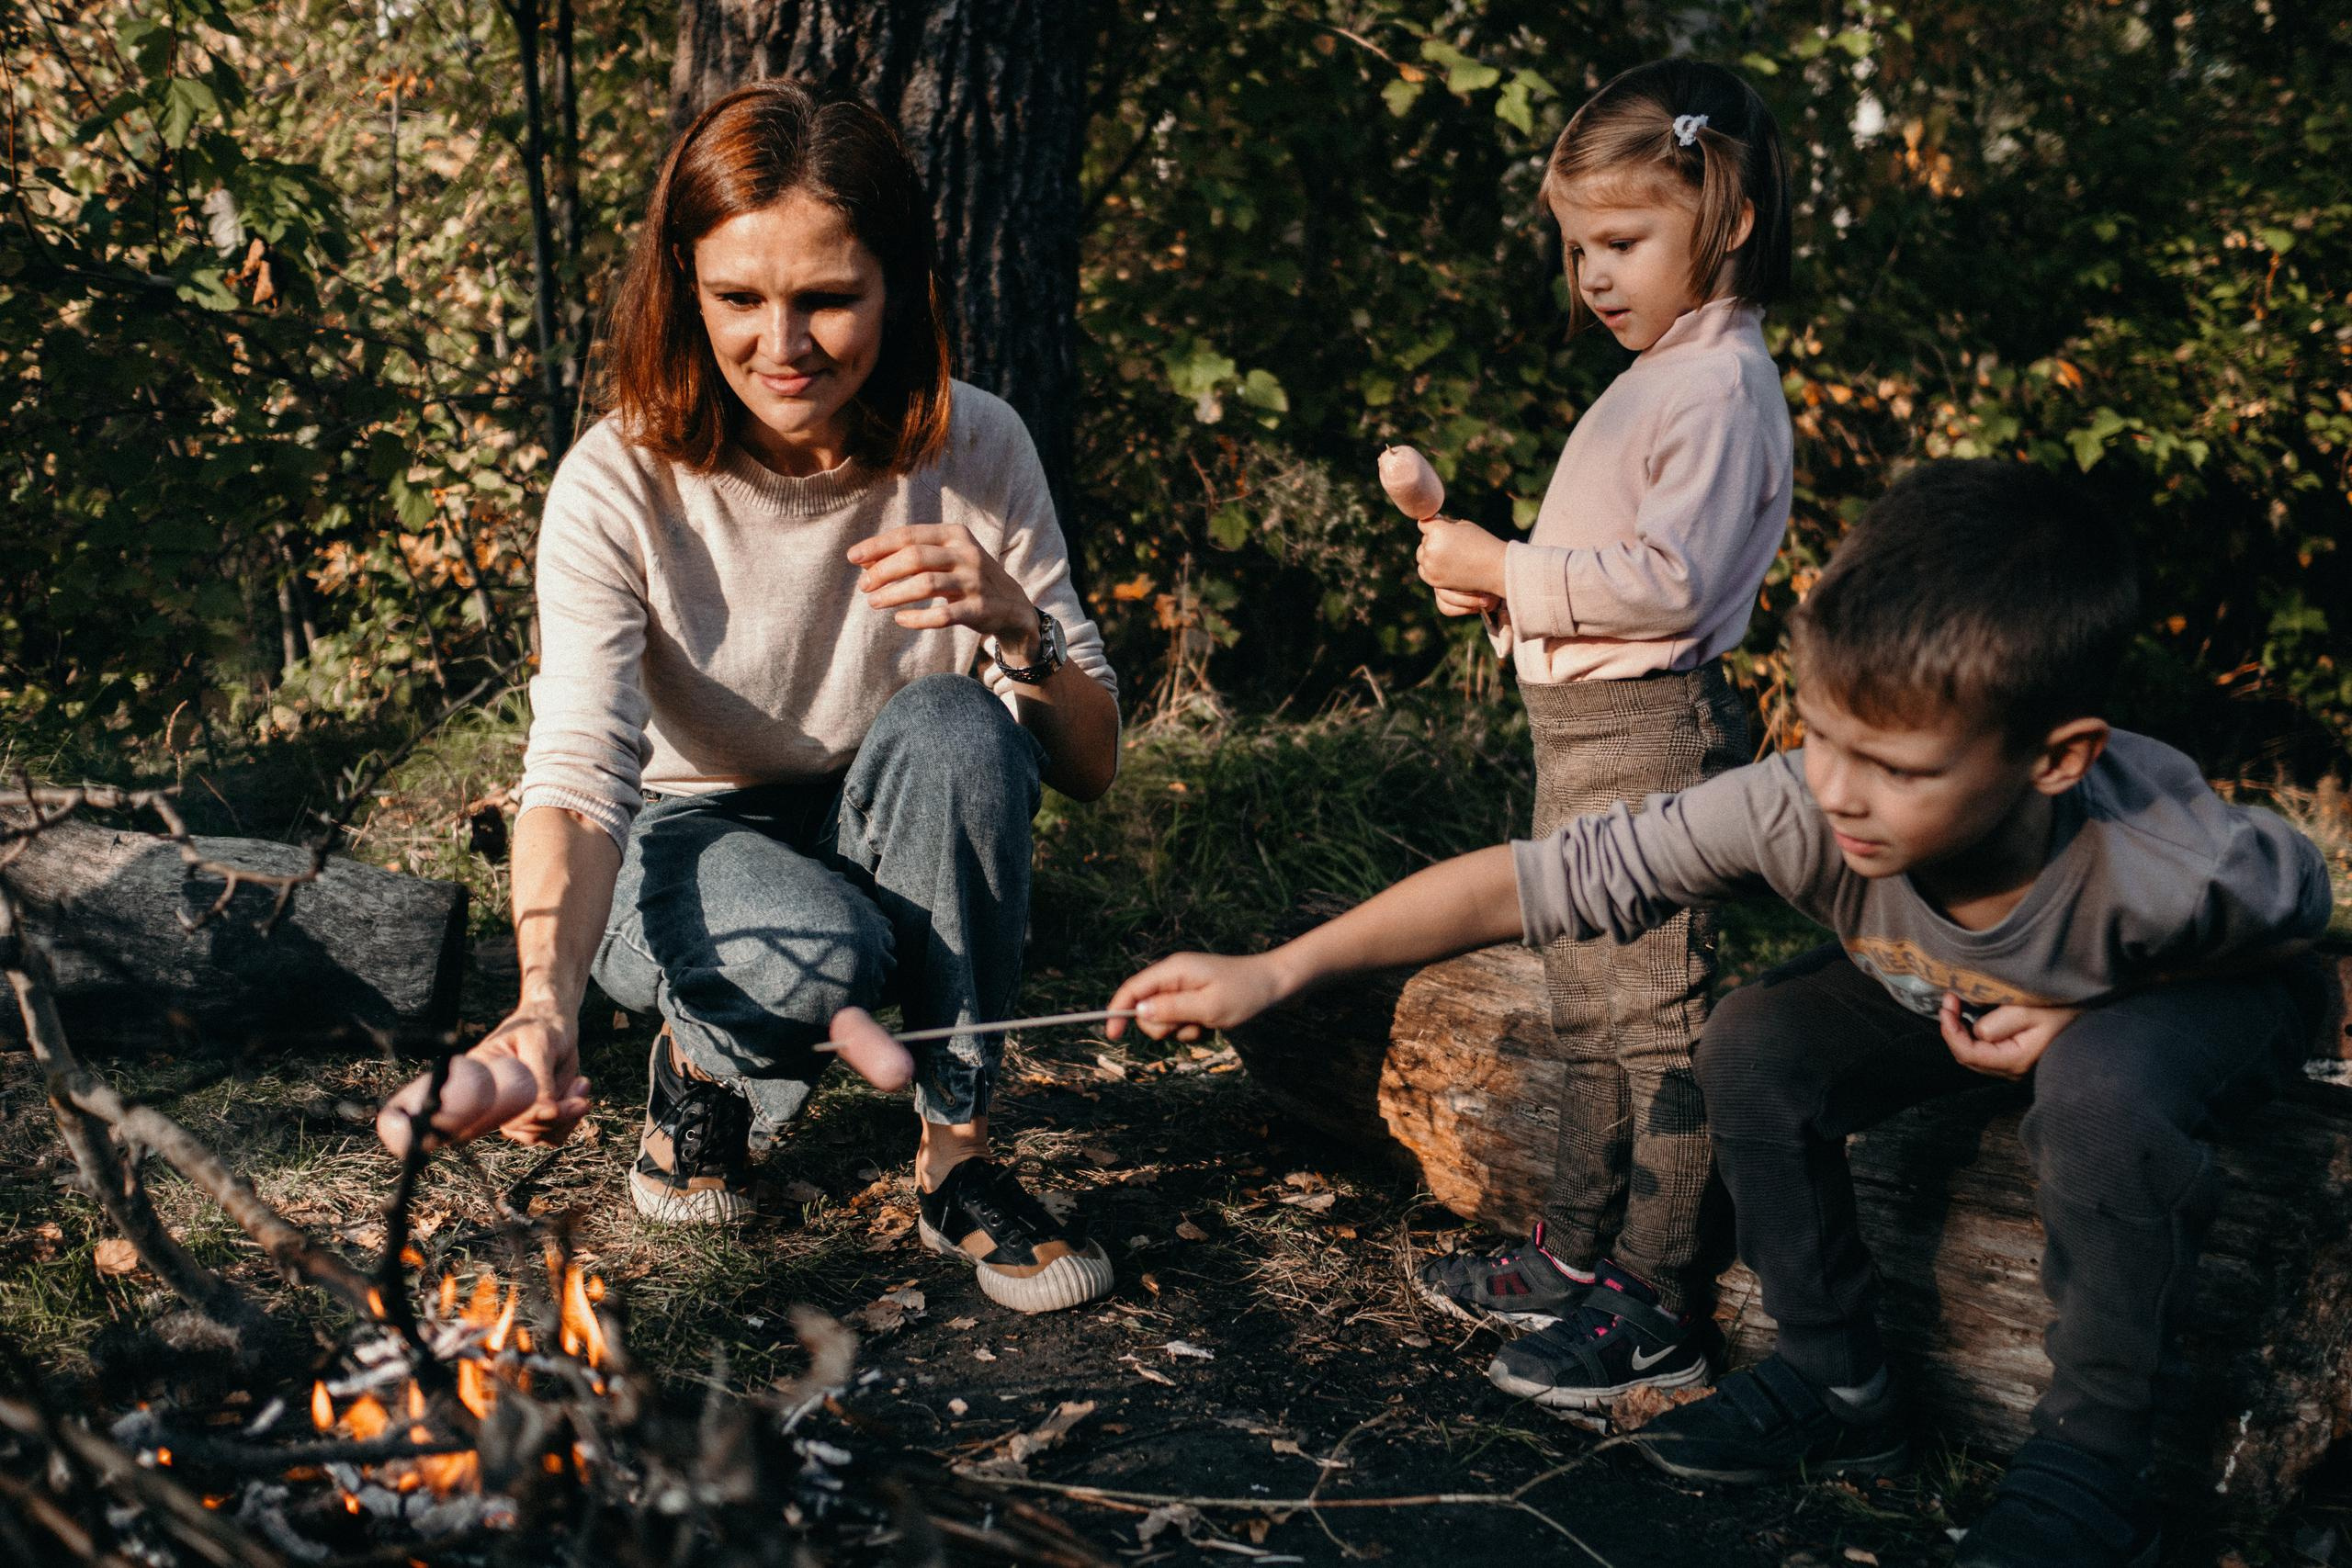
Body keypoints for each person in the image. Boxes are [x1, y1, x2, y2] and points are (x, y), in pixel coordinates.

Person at [1109, 460, 2333, 1567]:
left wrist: (2092, 1007)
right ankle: (1836, 1384)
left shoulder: (2176, 866)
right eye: (1828, 737)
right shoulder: (1813, 802)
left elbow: (2305, 939)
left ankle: (2094, 1472)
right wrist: (1275, 972)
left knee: (2103, 1095)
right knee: (1757, 1040)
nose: (1843, 793)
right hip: (1945, 991)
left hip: (2185, 999)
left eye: (1901, 770)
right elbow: (1538, 882)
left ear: (2055, 760)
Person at [483, 82, 1123, 1316]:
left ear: (902, 288)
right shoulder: (618, 480)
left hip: (878, 817)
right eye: (739, 300)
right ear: (687, 291)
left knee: (959, 726)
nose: (783, 346)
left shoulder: (977, 448)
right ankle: (698, 1066)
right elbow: (575, 770)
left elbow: (1090, 764)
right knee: (824, 954)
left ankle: (958, 1161)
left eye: (830, 299)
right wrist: (539, 1007)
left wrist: (1020, 628)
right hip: (680, 841)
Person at [1404, 58, 1795, 1405]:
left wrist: (1507, 566)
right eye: (1579, 248)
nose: (1595, 275)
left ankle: (1661, 1295)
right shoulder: (1658, 376)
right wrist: (1494, 595)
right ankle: (1571, 1252)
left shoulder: (1722, 388)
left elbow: (1670, 584)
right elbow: (1602, 588)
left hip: (1650, 744)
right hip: (1580, 731)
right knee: (1581, 1005)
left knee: (1650, 1020)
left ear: (1726, 219)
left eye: (1624, 241)